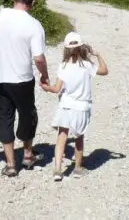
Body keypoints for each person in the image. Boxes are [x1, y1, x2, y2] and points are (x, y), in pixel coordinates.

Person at [0, 0, 49, 177]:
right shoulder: (34, 25)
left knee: (3, 118)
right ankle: (27, 155)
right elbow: (39, 58)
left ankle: (10, 164)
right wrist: (45, 75)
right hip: (22, 79)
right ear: (32, 3)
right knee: (27, 116)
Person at [41, 31, 109, 181]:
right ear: (82, 47)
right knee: (79, 137)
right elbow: (105, 71)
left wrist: (47, 87)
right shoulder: (87, 65)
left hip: (66, 105)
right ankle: (77, 168)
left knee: (61, 136)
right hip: (81, 107)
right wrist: (97, 54)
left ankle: (58, 170)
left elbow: (57, 89)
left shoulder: (63, 66)